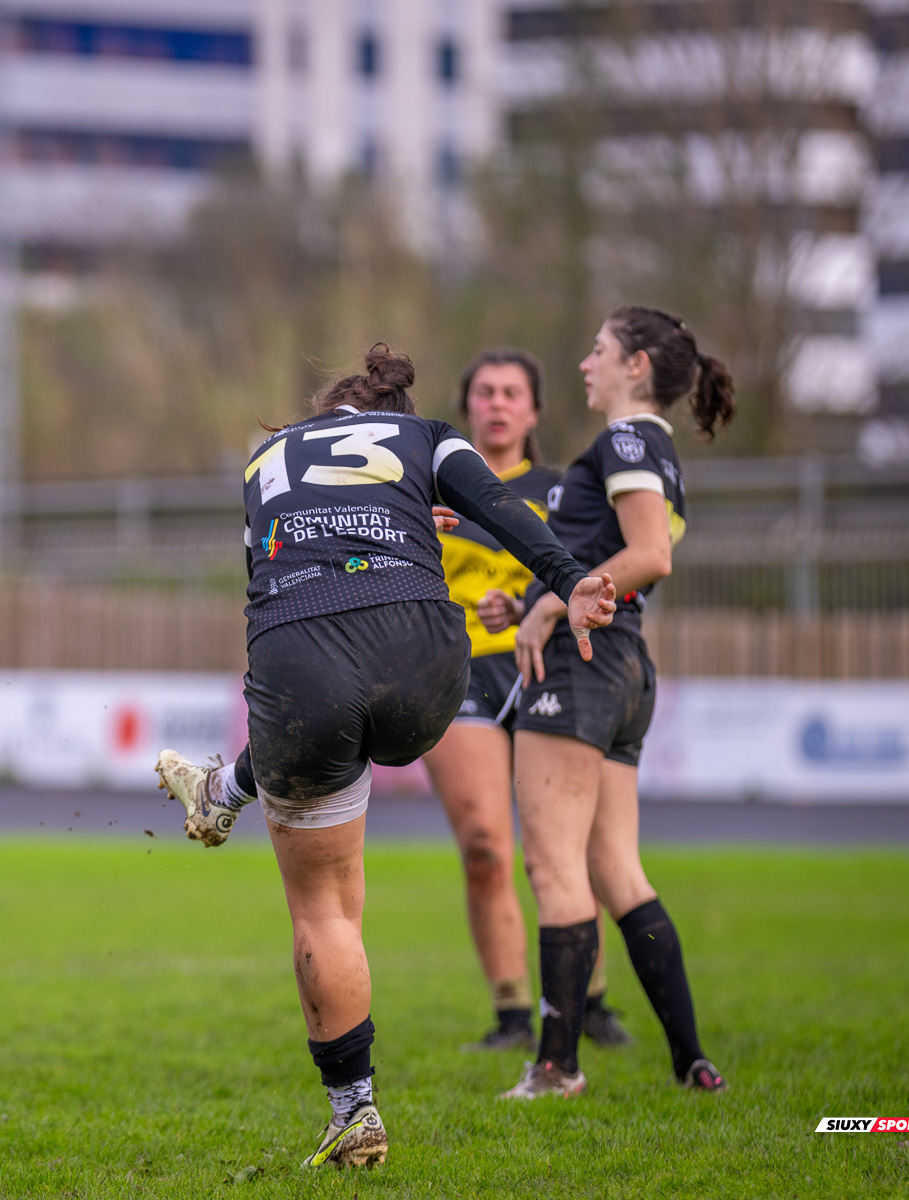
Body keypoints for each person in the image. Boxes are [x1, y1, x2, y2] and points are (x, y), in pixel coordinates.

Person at [157, 343, 616, 1167]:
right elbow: (503, 505)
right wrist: (571, 578)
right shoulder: (429, 437)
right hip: (431, 672)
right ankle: (225, 786)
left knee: (326, 912)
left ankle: (355, 1111)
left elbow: (271, 579)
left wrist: (277, 699)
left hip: (301, 661)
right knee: (373, 751)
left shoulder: (266, 459)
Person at [489, 306, 734, 1099]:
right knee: (615, 869)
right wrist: (524, 598)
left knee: (556, 866)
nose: (585, 362)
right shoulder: (651, 450)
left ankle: (556, 1067)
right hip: (623, 667)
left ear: (635, 366)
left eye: (598, 349)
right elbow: (613, 559)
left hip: (583, 667)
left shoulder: (625, 440)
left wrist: (549, 608)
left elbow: (648, 554)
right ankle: (691, 1061)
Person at [421, 350, 631, 1053]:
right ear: (467, 406)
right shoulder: (431, 490)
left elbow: (598, 571)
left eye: (513, 392)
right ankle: (512, 1012)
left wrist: (526, 605)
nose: (498, 403)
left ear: (534, 411)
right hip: (459, 674)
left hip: (550, 667)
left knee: (566, 847)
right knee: (485, 848)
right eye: (484, 392)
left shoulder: (561, 490)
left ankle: (587, 1000)